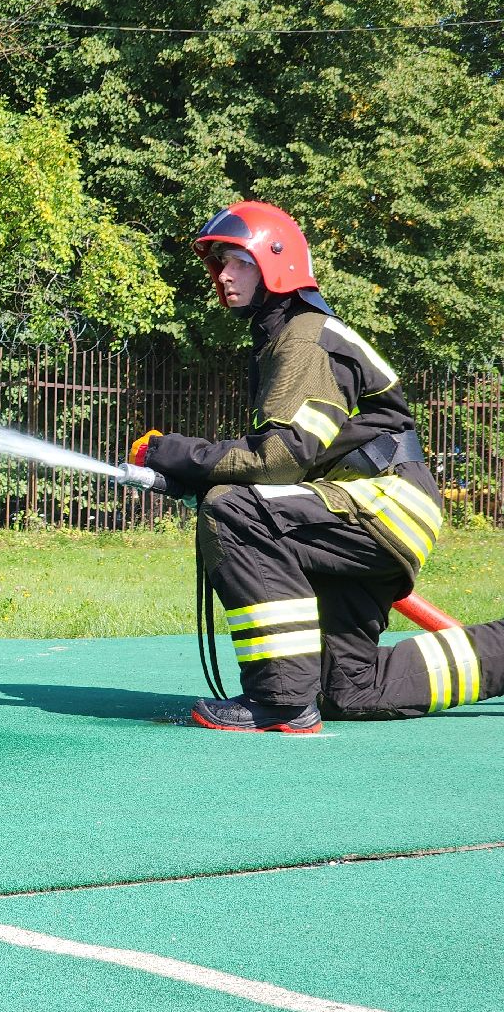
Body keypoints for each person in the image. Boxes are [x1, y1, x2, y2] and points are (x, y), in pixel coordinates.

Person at [132, 200, 504, 732]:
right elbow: (296, 459)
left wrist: (174, 453)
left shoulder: (303, 337)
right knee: (350, 689)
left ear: (274, 263)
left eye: (237, 261)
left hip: (379, 505)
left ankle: (280, 698)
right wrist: (194, 471)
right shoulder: (287, 337)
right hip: (376, 510)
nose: (223, 275)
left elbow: (283, 457)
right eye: (218, 263)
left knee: (233, 509)